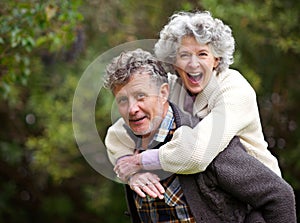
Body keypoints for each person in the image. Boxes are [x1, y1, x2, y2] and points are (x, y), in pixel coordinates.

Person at [103, 48, 296, 223]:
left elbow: (279, 196)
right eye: (122, 100)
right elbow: (114, 138)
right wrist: (132, 172)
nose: (132, 109)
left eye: (140, 96)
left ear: (163, 93)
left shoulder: (209, 144)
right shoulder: (130, 145)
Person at [107, 10, 282, 181]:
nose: (193, 64)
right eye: (184, 55)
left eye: (202, 54)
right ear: (173, 61)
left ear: (216, 60)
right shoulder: (169, 88)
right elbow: (118, 134)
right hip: (215, 196)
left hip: (259, 193)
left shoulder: (235, 89)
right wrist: (130, 171)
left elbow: (198, 154)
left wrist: (140, 161)